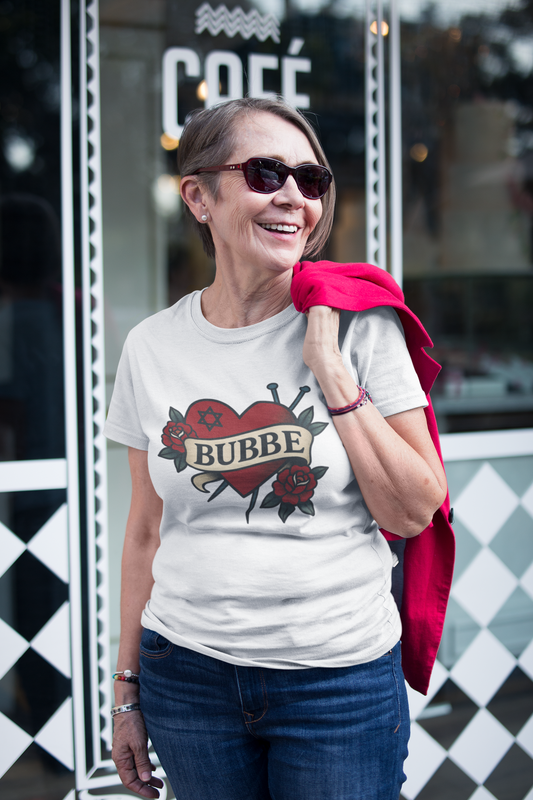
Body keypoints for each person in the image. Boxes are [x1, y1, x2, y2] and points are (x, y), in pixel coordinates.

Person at [104, 96, 448, 800]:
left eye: (310, 179)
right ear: (198, 196)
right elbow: (143, 533)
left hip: (336, 681)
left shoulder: (359, 328)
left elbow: (415, 509)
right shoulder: (150, 346)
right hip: (187, 675)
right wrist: (125, 690)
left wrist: (332, 374)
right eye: (265, 173)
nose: (294, 197)